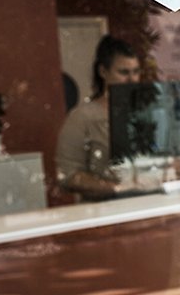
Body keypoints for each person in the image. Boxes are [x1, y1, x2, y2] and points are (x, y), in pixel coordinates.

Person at [55, 35, 142, 200]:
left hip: (153, 204)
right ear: (103, 72)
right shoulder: (82, 117)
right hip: (107, 210)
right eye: (124, 72)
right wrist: (118, 188)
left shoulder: (147, 112)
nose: (132, 80)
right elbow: (68, 175)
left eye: (136, 72)